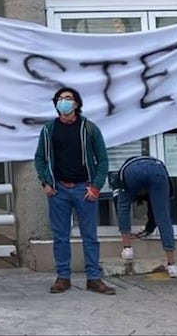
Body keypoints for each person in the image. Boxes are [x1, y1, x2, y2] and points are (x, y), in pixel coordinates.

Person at [34, 86, 115, 295]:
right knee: (60, 236)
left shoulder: (89, 128)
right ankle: (63, 277)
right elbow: (40, 158)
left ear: (76, 103)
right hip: (59, 189)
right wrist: (45, 182)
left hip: (84, 188)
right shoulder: (49, 129)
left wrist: (96, 186)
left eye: (68, 98)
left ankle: (94, 278)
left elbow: (103, 160)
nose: (64, 102)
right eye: (60, 99)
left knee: (90, 236)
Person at [112, 155, 177, 278]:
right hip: (157, 169)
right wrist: (149, 229)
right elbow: (158, 208)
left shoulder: (121, 173)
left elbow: (119, 205)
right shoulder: (157, 166)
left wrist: (126, 231)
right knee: (163, 214)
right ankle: (172, 265)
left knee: (123, 206)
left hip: (132, 171)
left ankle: (127, 249)